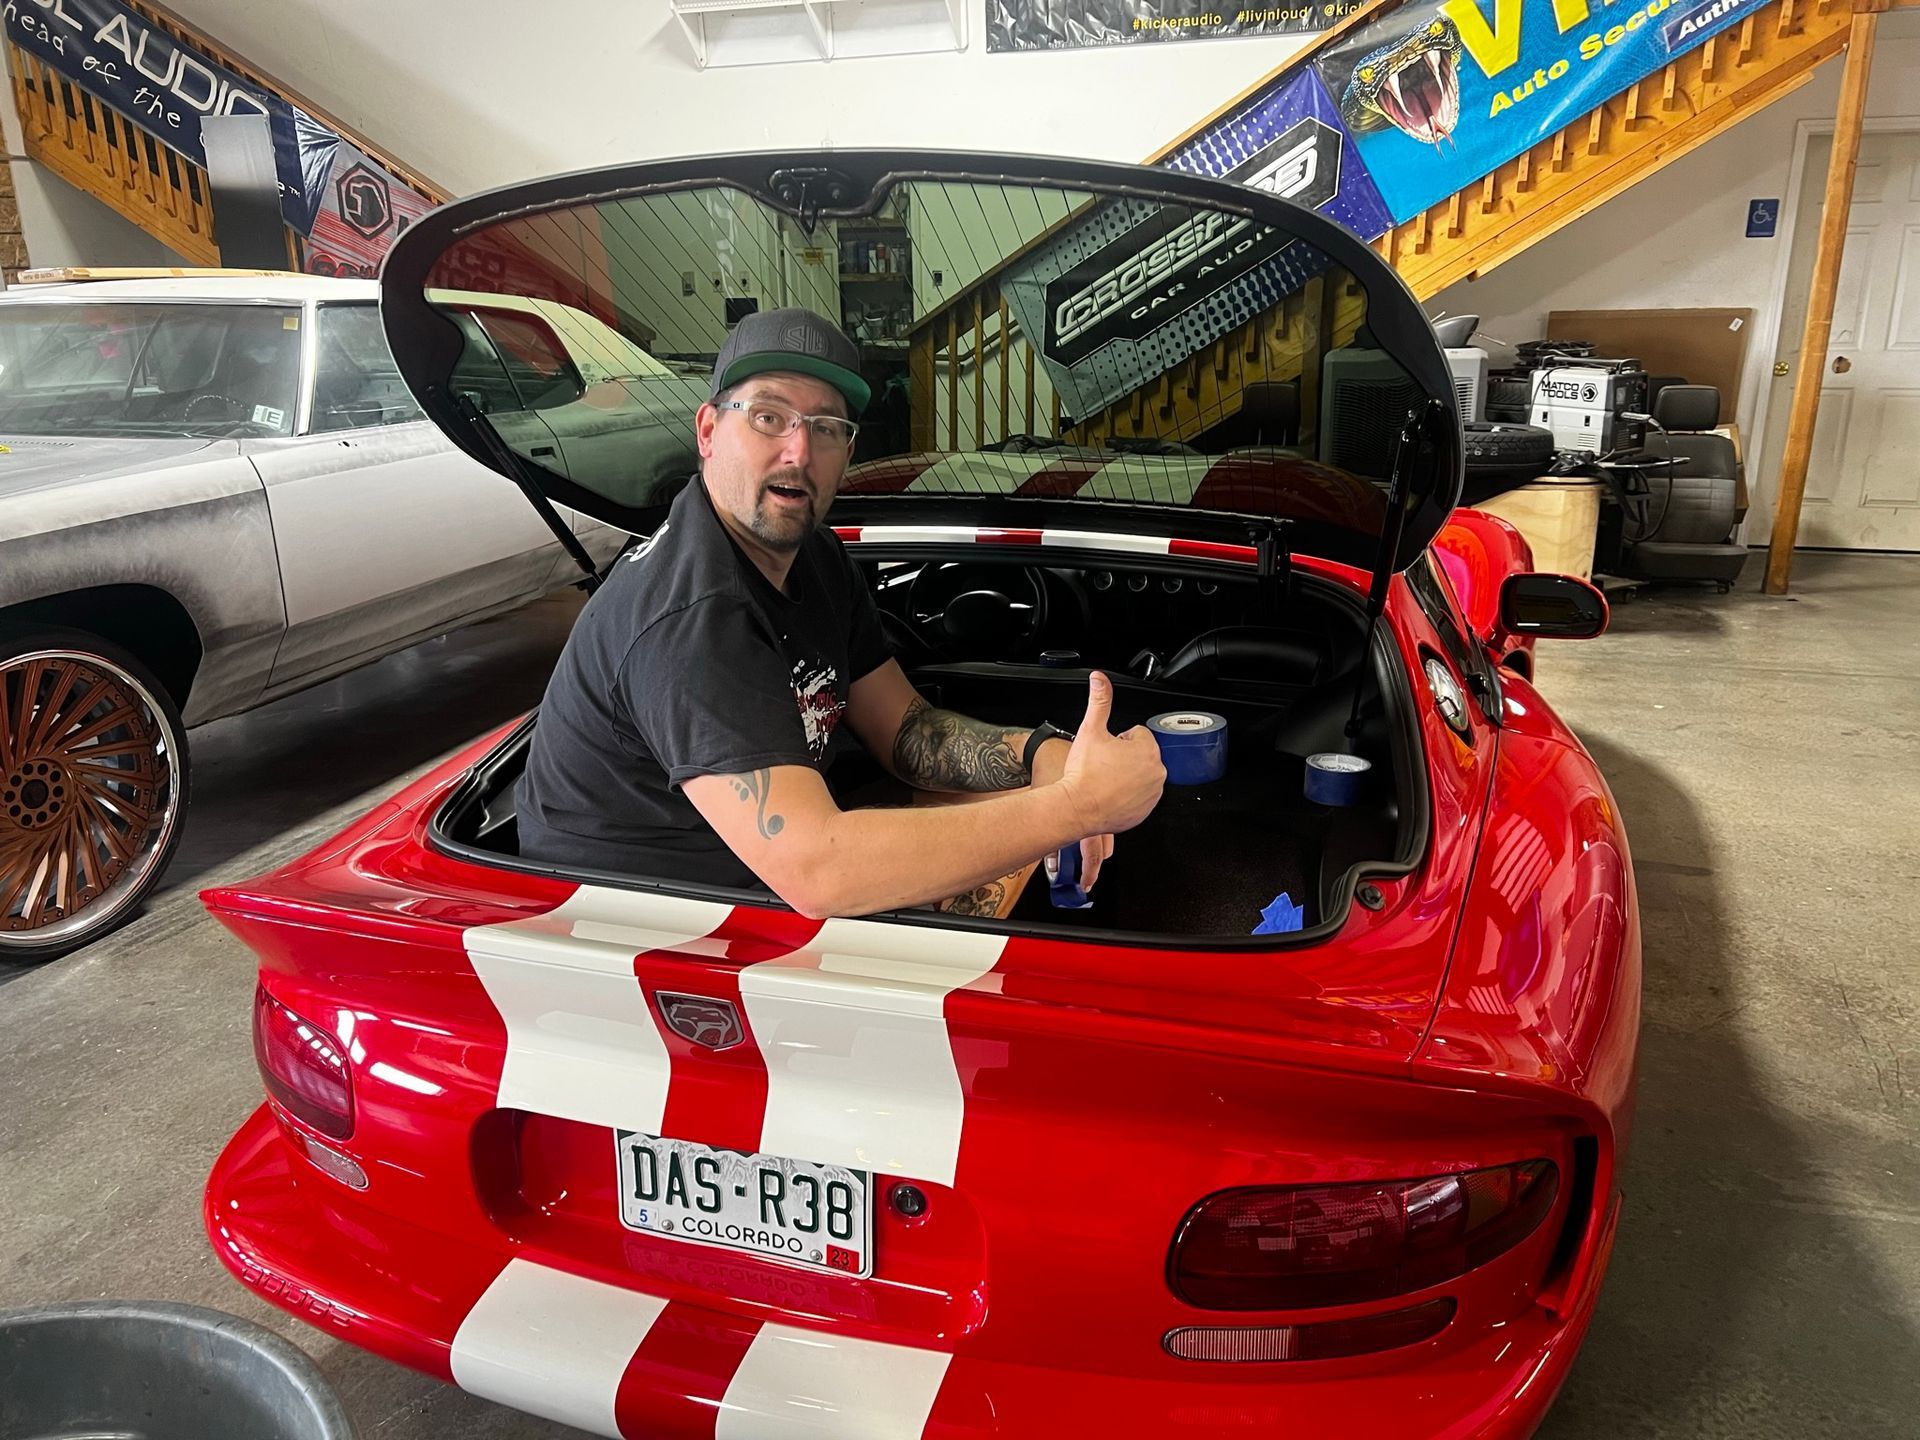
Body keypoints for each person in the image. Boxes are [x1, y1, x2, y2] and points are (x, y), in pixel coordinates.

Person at [514, 306, 1165, 918]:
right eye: (768, 417)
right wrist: (1075, 808)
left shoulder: (815, 557)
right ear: (709, 431)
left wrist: (1047, 760)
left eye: (826, 428)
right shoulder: (693, 617)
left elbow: (907, 731)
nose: (799, 452)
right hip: (642, 924)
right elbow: (820, 872)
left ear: (847, 452)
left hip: (760, 876)